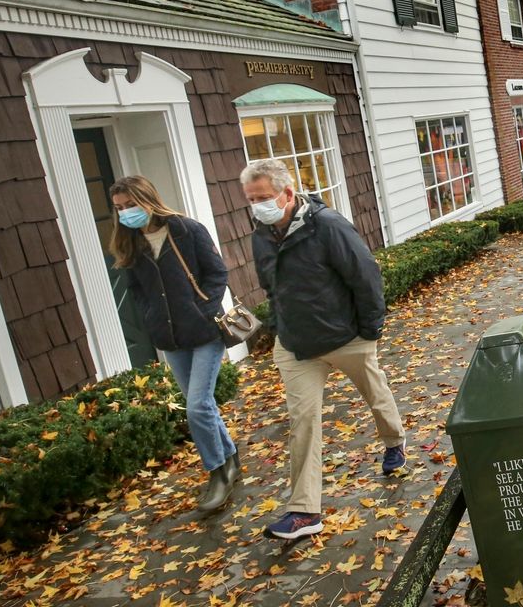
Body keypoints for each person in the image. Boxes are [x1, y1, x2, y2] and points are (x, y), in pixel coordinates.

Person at [241, 159, 406, 540]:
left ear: (287, 193)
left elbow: (365, 275)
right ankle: (304, 511)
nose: (257, 206)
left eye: (263, 197)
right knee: (302, 423)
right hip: (297, 346)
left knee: (374, 393)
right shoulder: (261, 235)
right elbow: (272, 286)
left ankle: (394, 442)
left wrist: (370, 329)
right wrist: (280, 328)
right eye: (251, 199)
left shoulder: (327, 225)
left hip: (346, 335)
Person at [108, 175, 238, 512]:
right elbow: (136, 290)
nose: (126, 213)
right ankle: (230, 457)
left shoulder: (186, 230)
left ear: (147, 199)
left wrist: (202, 311)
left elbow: (217, 274)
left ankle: (217, 474)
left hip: (205, 333)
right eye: (120, 208)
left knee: (197, 406)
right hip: (169, 338)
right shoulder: (131, 244)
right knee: (201, 405)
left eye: (130, 205)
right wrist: (151, 316)